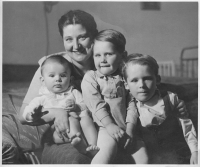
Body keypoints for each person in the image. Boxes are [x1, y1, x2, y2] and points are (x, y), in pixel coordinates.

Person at [18, 10, 187, 164]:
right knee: (78, 160)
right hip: (70, 135)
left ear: (94, 36)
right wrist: (57, 113)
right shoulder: (54, 66)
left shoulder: (106, 61)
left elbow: (140, 85)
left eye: (82, 37)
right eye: (69, 39)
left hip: (111, 130)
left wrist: (172, 97)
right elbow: (23, 116)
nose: (76, 46)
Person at [81, 29, 148, 164]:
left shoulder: (125, 78)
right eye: (97, 55)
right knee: (105, 154)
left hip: (128, 128)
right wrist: (110, 125)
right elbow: (96, 105)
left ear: (122, 56)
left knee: (144, 157)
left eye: (108, 54)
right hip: (105, 129)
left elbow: (132, 104)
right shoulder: (91, 77)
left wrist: (130, 129)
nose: (103, 60)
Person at [122, 53, 198, 164]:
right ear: (126, 85)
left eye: (147, 78)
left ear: (157, 79)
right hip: (145, 156)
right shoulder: (129, 106)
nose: (141, 85)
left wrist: (195, 151)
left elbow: (187, 127)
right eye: (134, 80)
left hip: (172, 155)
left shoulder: (170, 99)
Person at [22, 55, 99, 156]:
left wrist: (76, 107)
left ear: (70, 79)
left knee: (86, 118)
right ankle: (78, 141)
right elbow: (26, 113)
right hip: (60, 133)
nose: (58, 79)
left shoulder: (74, 92)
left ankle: (93, 145)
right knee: (71, 120)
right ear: (43, 81)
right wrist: (32, 115)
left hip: (83, 128)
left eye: (63, 75)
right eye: (52, 76)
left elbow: (85, 106)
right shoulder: (42, 98)